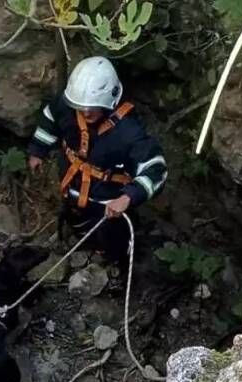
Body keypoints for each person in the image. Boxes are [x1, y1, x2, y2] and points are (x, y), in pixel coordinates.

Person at [26, 56, 167, 273]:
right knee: (75, 217)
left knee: (112, 238)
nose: (86, 112)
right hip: (72, 187)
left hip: (108, 204)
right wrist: (38, 150)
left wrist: (127, 197)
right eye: (80, 106)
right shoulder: (67, 107)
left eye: (92, 107)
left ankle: (115, 263)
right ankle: (81, 235)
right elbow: (49, 119)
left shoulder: (128, 132)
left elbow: (156, 169)